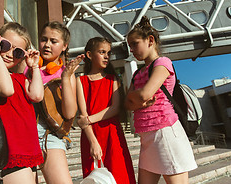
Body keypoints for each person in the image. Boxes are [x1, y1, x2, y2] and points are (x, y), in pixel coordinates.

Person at [125, 16, 197, 184]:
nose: (131, 50)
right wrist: (136, 97)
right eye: (130, 46)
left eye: (135, 44)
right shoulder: (137, 73)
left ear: (150, 40)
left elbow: (144, 95)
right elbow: (127, 104)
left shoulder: (163, 62)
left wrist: (137, 97)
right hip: (147, 136)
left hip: (165, 133)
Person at [0, 22, 44, 184]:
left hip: (29, 151)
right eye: (5, 45)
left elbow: (37, 95)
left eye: (18, 52)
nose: (10, 54)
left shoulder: (20, 78)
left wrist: (35, 68)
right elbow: (5, 89)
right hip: (8, 152)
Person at [25, 21, 83, 184]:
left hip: (49, 134)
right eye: (44, 39)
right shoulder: (27, 67)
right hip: (24, 133)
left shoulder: (66, 73)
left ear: (64, 46)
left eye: (53, 41)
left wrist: (65, 78)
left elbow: (70, 113)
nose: (47, 45)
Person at [76, 37, 136, 184]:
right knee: (95, 178)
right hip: (91, 136)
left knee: (121, 175)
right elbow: (82, 114)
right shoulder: (80, 80)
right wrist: (93, 141)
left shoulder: (112, 79)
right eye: (102, 52)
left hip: (112, 135)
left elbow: (114, 108)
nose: (106, 56)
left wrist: (89, 120)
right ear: (89, 55)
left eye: (108, 53)